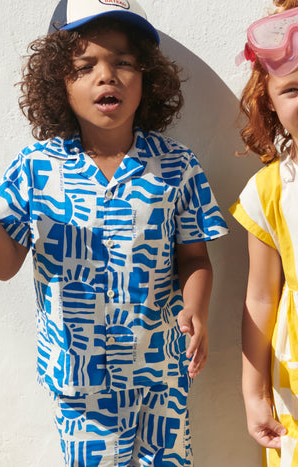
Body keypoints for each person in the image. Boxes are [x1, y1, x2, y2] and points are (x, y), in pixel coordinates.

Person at [0, 0, 228, 465]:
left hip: (160, 372)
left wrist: (195, 311)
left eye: (124, 62)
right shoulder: (36, 168)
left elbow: (194, 258)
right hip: (80, 385)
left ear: (147, 77)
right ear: (58, 82)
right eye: (85, 66)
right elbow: (3, 266)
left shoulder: (176, 165)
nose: (107, 76)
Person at [230, 2, 298, 466]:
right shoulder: (268, 191)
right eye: (293, 88)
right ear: (268, 101)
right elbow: (260, 298)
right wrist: (253, 394)